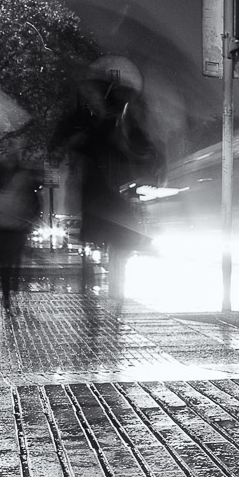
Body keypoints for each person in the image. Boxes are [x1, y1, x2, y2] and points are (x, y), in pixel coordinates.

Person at [51, 57, 160, 299]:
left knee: (115, 249)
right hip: (99, 199)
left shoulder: (118, 121)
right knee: (99, 250)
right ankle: (100, 298)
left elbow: (144, 152)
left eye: (91, 90)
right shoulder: (90, 123)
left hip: (113, 199)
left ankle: (113, 297)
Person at [0, 153, 40, 307]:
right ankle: (6, 293)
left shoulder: (24, 177)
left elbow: (36, 200)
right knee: (4, 262)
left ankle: (12, 285)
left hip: (17, 227)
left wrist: (30, 220)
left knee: (12, 259)